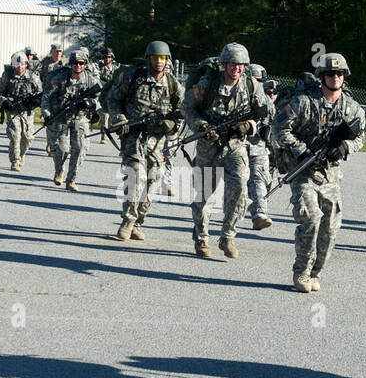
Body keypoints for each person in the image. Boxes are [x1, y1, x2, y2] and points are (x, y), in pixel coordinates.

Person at [271, 53, 366, 291]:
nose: (336, 77)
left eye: (340, 74)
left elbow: (360, 136)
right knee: (311, 218)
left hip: (330, 174)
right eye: (331, 74)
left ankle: (315, 272)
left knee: (331, 227)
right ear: (321, 77)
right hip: (304, 171)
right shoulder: (304, 102)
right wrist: (301, 151)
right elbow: (279, 127)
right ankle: (301, 273)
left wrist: (345, 147)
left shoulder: (352, 108)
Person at [180, 43, 272, 259]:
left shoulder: (251, 85)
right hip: (208, 145)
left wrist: (249, 126)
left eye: (240, 65)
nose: (236, 69)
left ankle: (228, 236)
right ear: (224, 64)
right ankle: (201, 238)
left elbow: (266, 114)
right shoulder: (208, 84)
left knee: (240, 187)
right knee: (204, 195)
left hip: (236, 146)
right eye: (232, 64)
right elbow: (187, 108)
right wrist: (201, 126)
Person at [107, 40, 183, 241]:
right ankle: (127, 221)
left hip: (157, 141)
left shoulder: (173, 84)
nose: (159, 62)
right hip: (133, 135)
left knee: (153, 182)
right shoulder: (132, 77)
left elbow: (183, 112)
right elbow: (113, 99)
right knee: (136, 176)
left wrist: (172, 125)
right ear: (148, 58)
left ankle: (138, 222)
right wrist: (120, 119)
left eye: (162, 58)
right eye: (155, 58)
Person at [43, 48, 98, 190]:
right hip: (61, 118)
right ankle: (59, 170)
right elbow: (46, 97)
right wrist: (47, 114)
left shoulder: (90, 79)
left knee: (80, 149)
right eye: (74, 63)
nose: (77, 66)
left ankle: (71, 180)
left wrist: (91, 104)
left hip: (80, 119)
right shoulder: (60, 78)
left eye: (81, 63)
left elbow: (101, 98)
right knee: (61, 149)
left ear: (85, 64)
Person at [0, 51, 42, 171]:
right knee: (15, 135)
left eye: (22, 64)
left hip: (27, 111)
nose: (20, 67)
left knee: (27, 137)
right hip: (12, 110)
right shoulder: (7, 76)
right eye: (17, 65)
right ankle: (15, 161)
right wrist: (4, 102)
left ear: (26, 64)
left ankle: (22, 154)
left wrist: (34, 102)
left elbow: (41, 94)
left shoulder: (33, 76)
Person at [245, 64, 275, 231]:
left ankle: (259, 213)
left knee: (261, 179)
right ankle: (255, 212)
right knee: (240, 183)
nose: (258, 84)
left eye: (260, 81)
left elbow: (274, 119)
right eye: (255, 80)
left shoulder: (266, 99)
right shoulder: (239, 96)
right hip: (239, 147)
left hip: (259, 147)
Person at [93, 47, 119, 143]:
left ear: (112, 57)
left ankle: (110, 131)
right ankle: (104, 135)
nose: (107, 59)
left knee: (112, 119)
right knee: (104, 116)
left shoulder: (116, 68)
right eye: (105, 57)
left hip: (113, 95)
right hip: (102, 96)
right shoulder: (98, 68)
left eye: (109, 57)